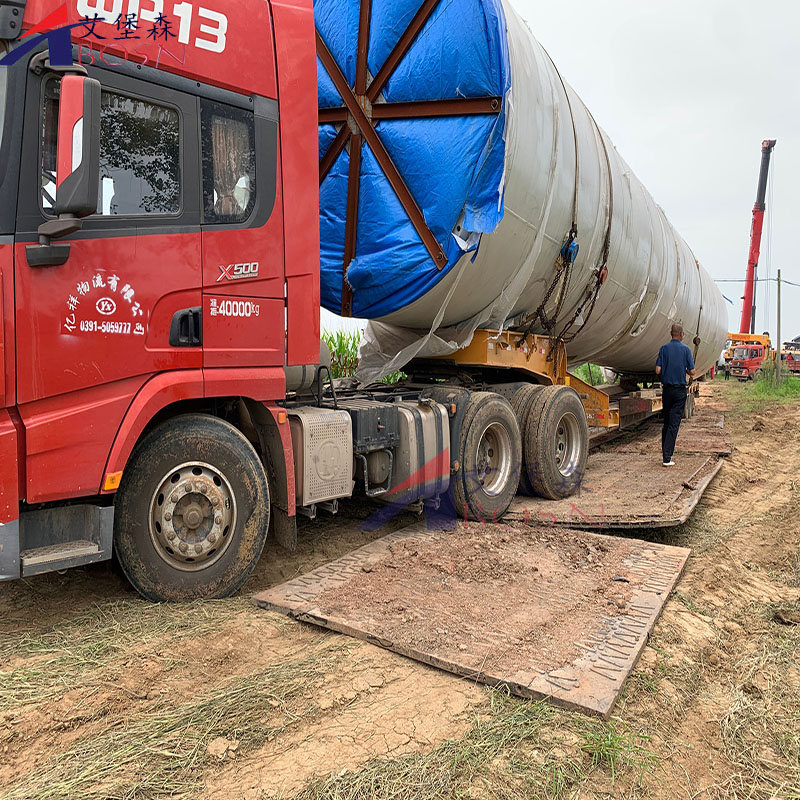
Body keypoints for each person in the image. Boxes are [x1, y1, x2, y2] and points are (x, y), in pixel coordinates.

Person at [655, 323, 696, 467]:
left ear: (671, 334)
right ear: (681, 334)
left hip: (667, 390)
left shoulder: (663, 349)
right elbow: (692, 371)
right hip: (679, 391)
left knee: (666, 422)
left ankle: (665, 454)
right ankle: (667, 458)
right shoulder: (686, 350)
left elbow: (658, 370)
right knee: (674, 423)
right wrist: (685, 369)